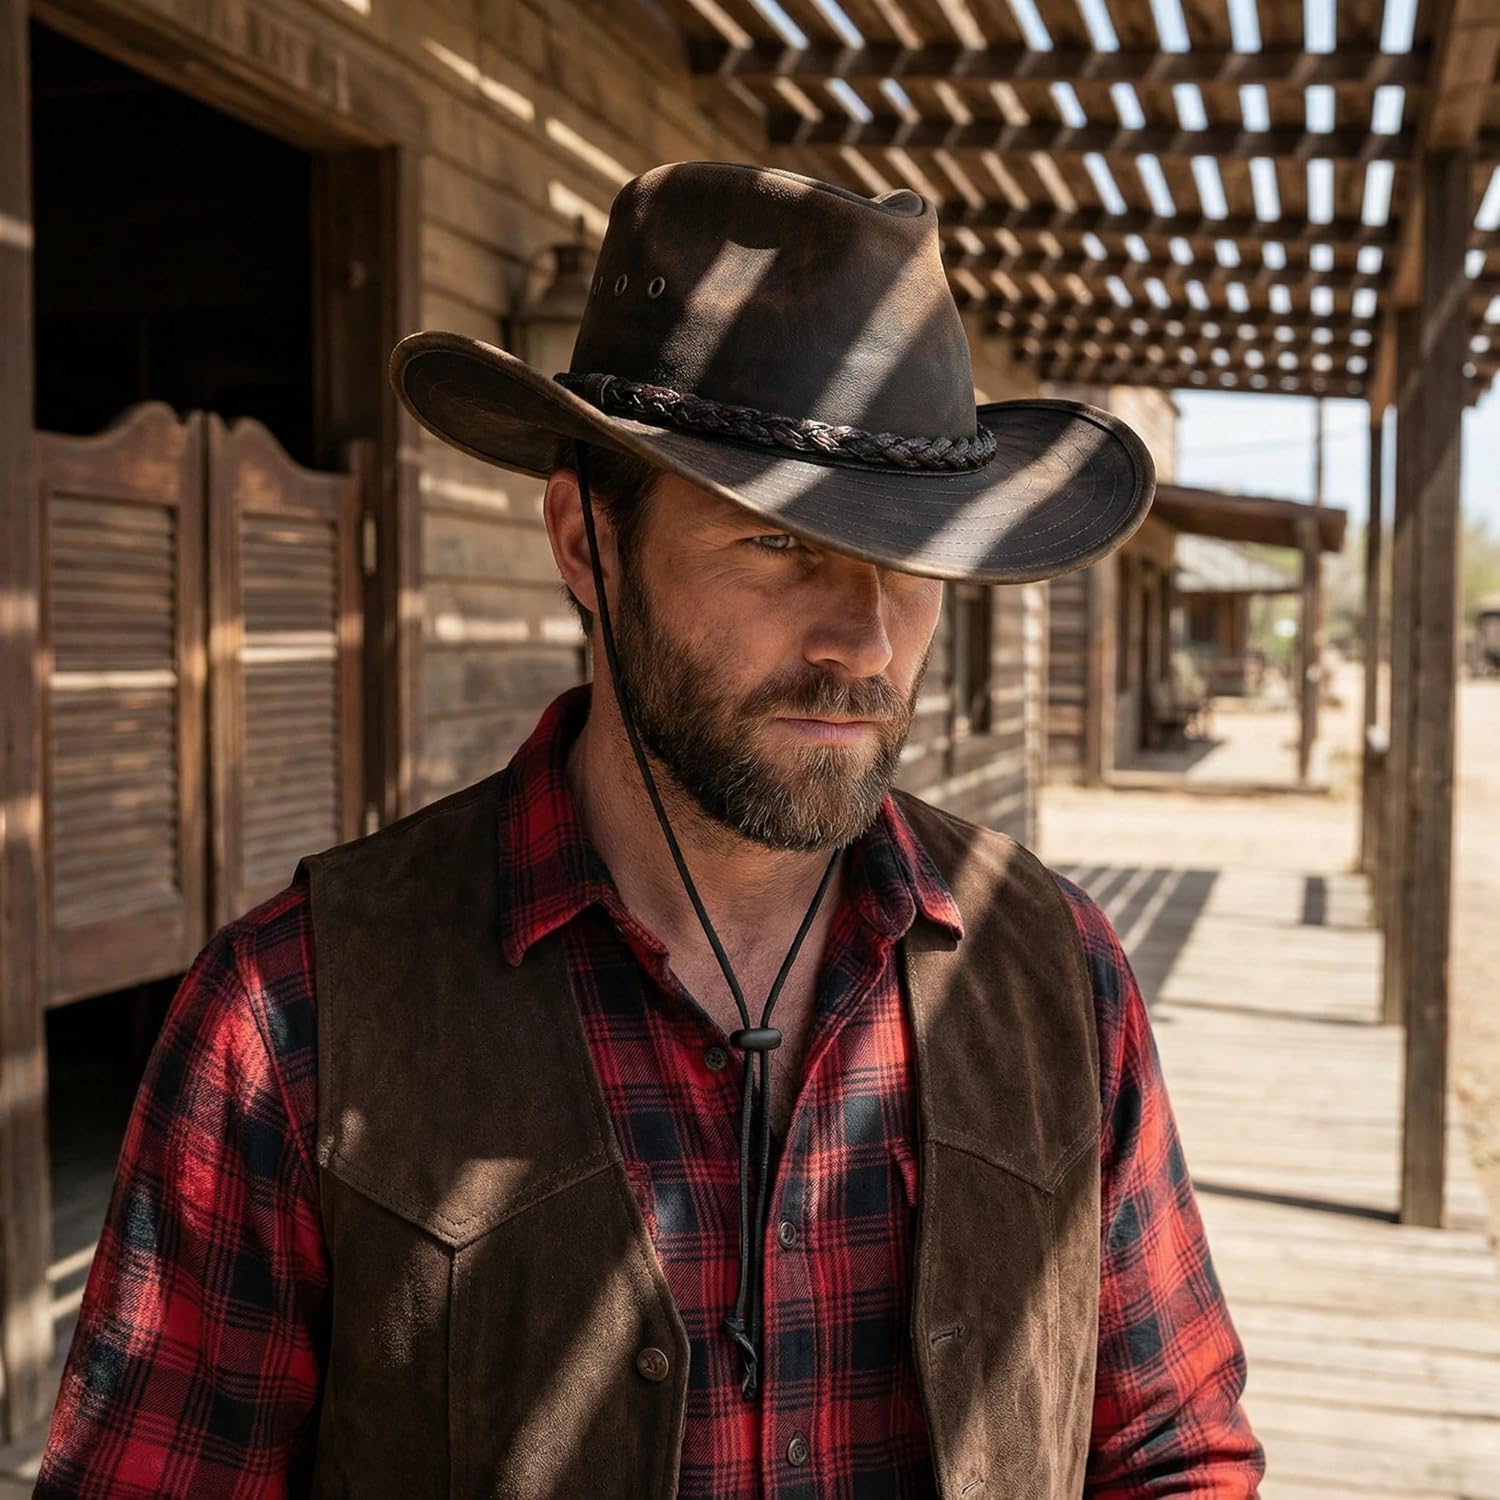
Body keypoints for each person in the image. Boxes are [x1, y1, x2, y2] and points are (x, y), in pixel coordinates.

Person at [36, 161, 1263, 1497]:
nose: (865, 638)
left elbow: (1173, 1447)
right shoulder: (291, 1018)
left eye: (908, 561)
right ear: (587, 543)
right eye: (777, 545)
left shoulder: (1054, 970)